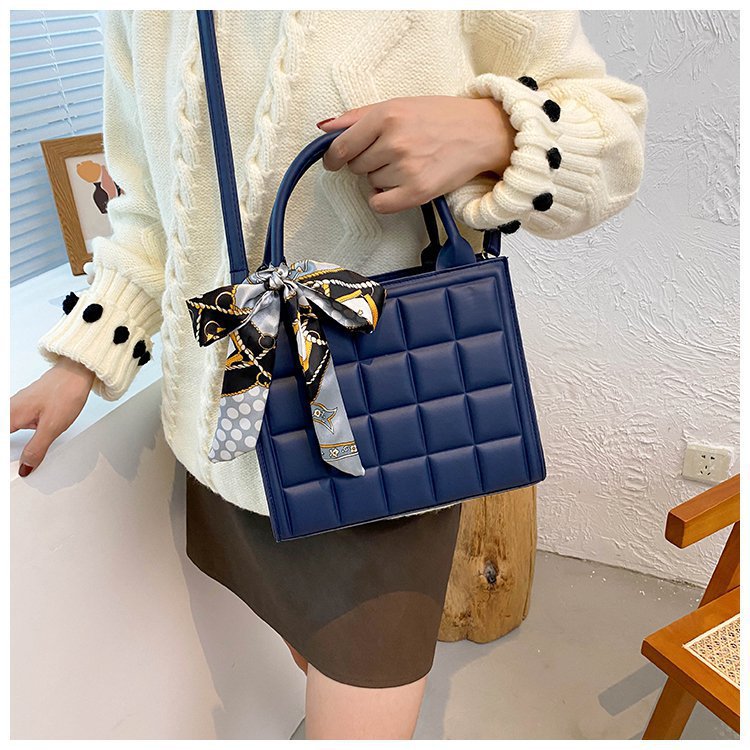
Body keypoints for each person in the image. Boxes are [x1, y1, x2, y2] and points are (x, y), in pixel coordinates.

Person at [10, 10, 647, 740]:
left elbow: (616, 145)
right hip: (236, 438)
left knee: (364, 686)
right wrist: (84, 358)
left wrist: (493, 133)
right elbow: (150, 214)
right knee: (309, 651)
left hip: (387, 448)